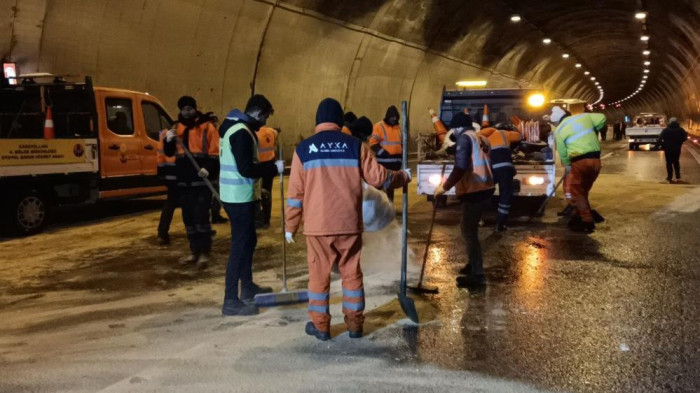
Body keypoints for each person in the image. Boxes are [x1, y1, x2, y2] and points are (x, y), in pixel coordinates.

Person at [285, 98, 411, 341]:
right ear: (340, 120)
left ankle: (321, 327)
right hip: (349, 224)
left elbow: (295, 196)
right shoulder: (354, 146)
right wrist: (402, 177)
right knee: (351, 273)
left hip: (317, 227)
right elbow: (380, 179)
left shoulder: (303, 149)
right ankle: (355, 325)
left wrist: (290, 226)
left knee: (319, 275)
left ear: (317, 121)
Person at [218, 94, 284, 316]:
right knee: (239, 247)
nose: (264, 122)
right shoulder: (241, 133)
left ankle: (247, 287)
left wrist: (259, 189)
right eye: (264, 116)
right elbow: (245, 169)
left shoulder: (237, 129)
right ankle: (230, 300)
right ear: (256, 112)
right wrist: (274, 169)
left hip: (240, 195)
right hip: (238, 199)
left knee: (249, 241)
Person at [434, 112, 495, 288]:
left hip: (474, 189)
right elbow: (473, 156)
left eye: (454, 128)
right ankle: (472, 264)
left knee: (469, 231)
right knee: (468, 228)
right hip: (486, 187)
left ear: (458, 127)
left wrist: (444, 187)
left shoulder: (463, 138)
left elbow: (461, 167)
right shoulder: (482, 138)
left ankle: (477, 274)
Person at [164, 96, 219, 268]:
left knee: (201, 216)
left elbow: (216, 152)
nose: (186, 112)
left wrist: (208, 168)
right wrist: (168, 140)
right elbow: (170, 153)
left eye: (189, 108)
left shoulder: (207, 127)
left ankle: (204, 252)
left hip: (201, 180)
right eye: (183, 109)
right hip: (184, 180)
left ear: (195, 109)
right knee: (188, 218)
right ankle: (194, 251)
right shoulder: (176, 128)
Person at [550, 103, 606, 233]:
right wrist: (594, 129)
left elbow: (563, 152)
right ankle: (579, 214)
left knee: (577, 191)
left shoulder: (559, 130)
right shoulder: (584, 117)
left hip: (579, 161)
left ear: (557, 121)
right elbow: (602, 118)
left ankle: (587, 222)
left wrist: (567, 165)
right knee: (583, 190)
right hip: (596, 161)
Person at [478, 123, 522, 232]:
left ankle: (478, 219)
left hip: (489, 168)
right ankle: (500, 224)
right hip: (505, 168)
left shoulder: (479, 136)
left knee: (484, 194)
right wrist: (517, 127)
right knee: (505, 195)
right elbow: (520, 136)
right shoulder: (503, 133)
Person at [369, 105, 403, 201]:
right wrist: (384, 153)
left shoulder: (399, 128)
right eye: (392, 117)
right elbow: (373, 143)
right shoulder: (379, 126)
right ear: (387, 117)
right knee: (380, 185)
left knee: (391, 186)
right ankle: (380, 205)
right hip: (383, 163)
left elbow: (401, 144)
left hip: (395, 164)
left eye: (395, 118)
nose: (394, 119)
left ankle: (390, 205)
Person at [255, 125, 280, 229]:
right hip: (269, 166)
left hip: (256, 166)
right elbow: (276, 132)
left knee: (255, 193)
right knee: (267, 193)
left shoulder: (252, 132)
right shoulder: (271, 131)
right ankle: (266, 220)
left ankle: (258, 218)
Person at [156, 128, 179, 246]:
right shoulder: (182, 132)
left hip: (168, 173)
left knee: (170, 203)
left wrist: (161, 172)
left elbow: (160, 155)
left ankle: (162, 233)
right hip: (180, 173)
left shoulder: (164, 133)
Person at [658, 117, 688, 183]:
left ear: (670, 122)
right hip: (677, 148)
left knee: (669, 163)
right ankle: (678, 176)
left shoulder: (666, 130)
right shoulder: (681, 130)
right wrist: (679, 142)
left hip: (668, 149)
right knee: (676, 162)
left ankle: (669, 177)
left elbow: (659, 139)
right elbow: (685, 138)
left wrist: (662, 145)